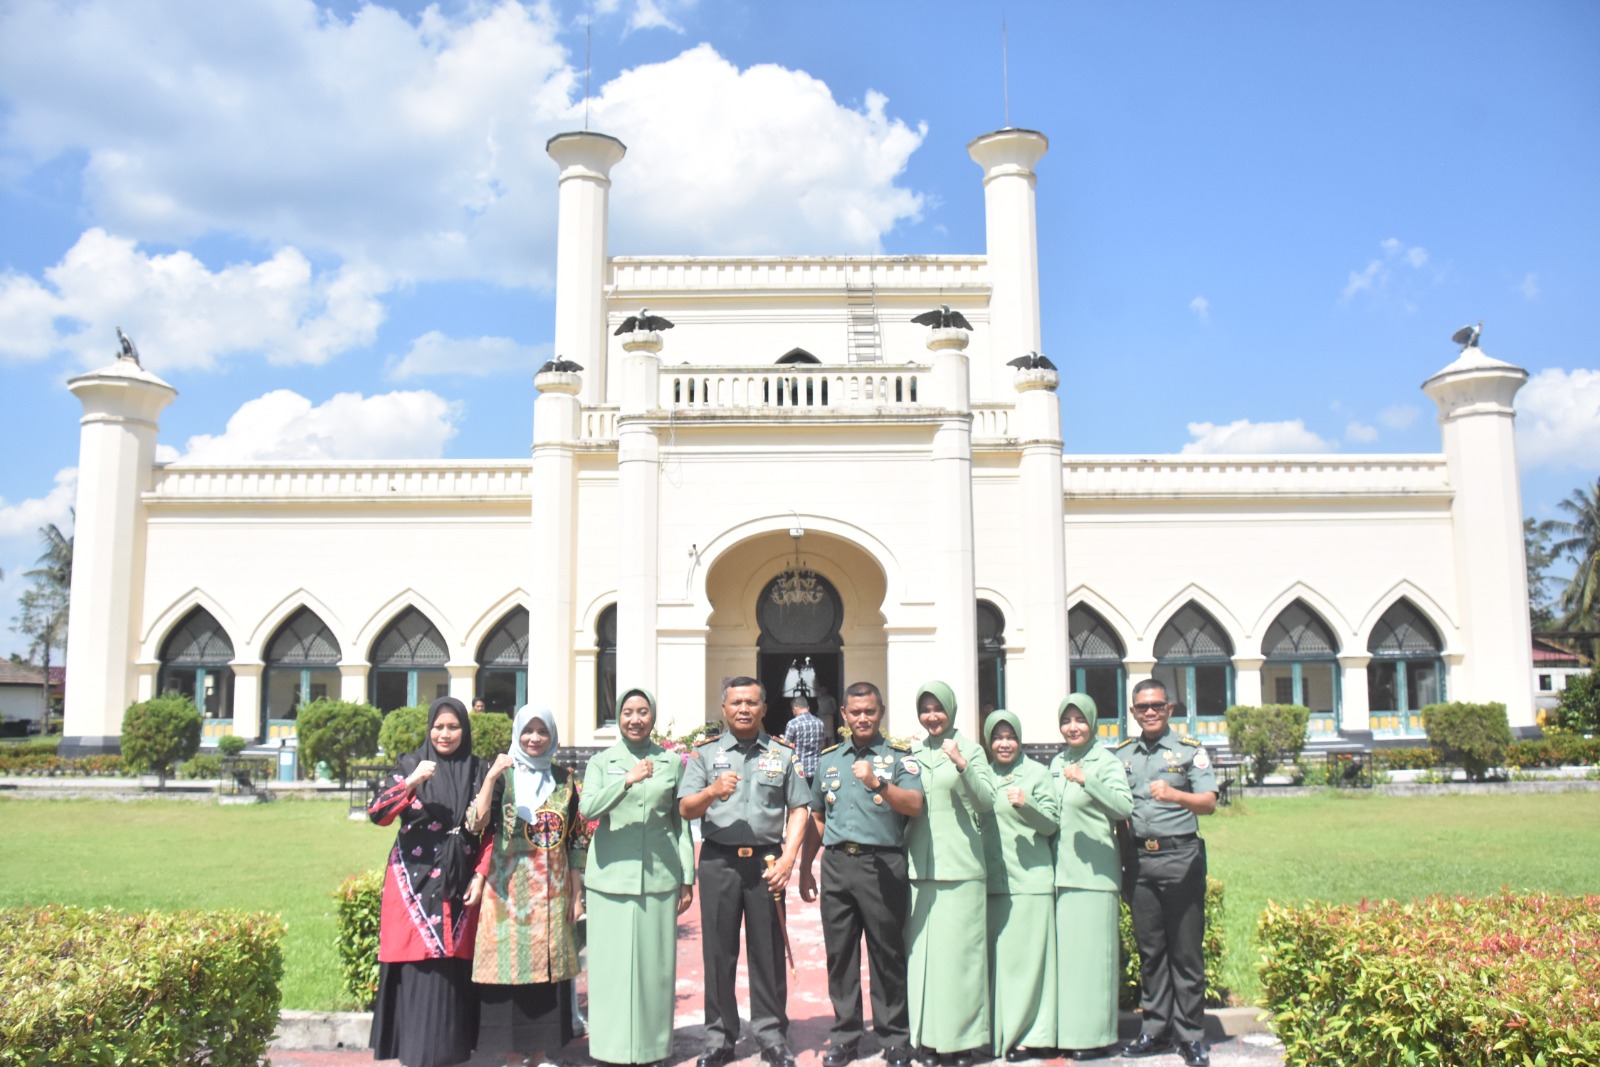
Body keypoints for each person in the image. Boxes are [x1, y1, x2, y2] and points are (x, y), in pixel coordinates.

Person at [679, 677, 812, 1067]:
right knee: (719, 953)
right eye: (736, 702)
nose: (743, 709)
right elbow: (686, 808)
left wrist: (789, 858)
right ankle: (719, 1037)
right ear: (724, 709)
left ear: (764, 709)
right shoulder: (704, 755)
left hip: (767, 863)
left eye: (751, 702)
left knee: (768, 952)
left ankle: (771, 1035)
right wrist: (711, 792)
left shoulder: (783, 754)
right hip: (719, 861)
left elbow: (800, 807)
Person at [797, 681, 925, 1067]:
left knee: (886, 954)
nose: (863, 717)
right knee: (840, 956)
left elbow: (915, 805)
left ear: (881, 712)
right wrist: (806, 868)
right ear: (844, 716)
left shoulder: (901, 758)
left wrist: (878, 783)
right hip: (837, 865)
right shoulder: (829, 759)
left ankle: (894, 1037)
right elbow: (817, 815)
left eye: (870, 711)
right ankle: (846, 1035)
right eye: (856, 712)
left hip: (881, 865)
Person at [367, 696, 489, 1067]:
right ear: (429, 729)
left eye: (453, 727)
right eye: (439, 726)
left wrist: (481, 875)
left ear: (464, 730)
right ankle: (416, 1055)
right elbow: (378, 814)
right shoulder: (408, 764)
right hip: (413, 885)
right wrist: (412, 781)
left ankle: (452, 1053)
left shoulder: (479, 770)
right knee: (418, 963)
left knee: (454, 967)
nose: (445, 734)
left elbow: (491, 831)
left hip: (461, 881)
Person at [465, 706, 587, 1067]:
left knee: (545, 980)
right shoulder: (503, 777)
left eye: (542, 731)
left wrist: (578, 894)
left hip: (552, 892)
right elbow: (475, 822)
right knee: (509, 974)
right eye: (527, 731)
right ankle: (512, 1055)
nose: (534, 738)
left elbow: (577, 839)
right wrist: (490, 778)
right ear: (517, 734)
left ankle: (539, 1055)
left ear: (552, 736)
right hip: (506, 894)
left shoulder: (565, 781)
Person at [580, 687, 696, 1067]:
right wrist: (626, 781)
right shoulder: (602, 761)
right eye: (628, 712)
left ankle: (653, 1049)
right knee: (609, 970)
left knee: (655, 969)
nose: (635, 719)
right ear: (618, 716)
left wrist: (687, 876)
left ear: (653, 716)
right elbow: (588, 808)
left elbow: (681, 823)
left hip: (659, 877)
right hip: (609, 878)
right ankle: (608, 1050)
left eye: (642, 711)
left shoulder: (672, 762)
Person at [1114, 680, 1218, 1067]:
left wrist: (1176, 796)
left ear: (1170, 708)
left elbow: (1208, 803)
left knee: (1186, 951)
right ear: (1134, 713)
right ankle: (1155, 1030)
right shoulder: (1123, 754)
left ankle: (1190, 1035)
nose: (1151, 712)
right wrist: (1124, 865)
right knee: (1151, 951)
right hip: (1140, 861)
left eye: (1157, 705)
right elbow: (1119, 813)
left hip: (1181, 858)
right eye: (1143, 707)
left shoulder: (1189, 752)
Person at [904, 681, 997, 1067]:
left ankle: (961, 1042)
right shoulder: (910, 752)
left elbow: (987, 801)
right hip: (920, 867)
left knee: (960, 959)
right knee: (922, 959)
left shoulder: (970, 749)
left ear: (951, 710)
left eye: (938, 709)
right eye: (925, 709)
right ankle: (924, 1038)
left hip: (960, 867)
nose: (932, 716)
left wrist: (961, 763)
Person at [1050, 694, 1134, 1061]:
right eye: (1067, 720)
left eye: (1079, 720)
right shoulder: (1056, 762)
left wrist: (1088, 781)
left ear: (1092, 722)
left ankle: (1099, 1035)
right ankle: (1072, 1033)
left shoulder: (1106, 761)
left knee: (1095, 961)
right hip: (1062, 874)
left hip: (1096, 875)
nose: (1073, 727)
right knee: (1070, 962)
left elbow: (1123, 807)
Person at [980, 710, 1059, 1062]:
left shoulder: (1038, 775)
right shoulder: (982, 775)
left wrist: (1027, 805)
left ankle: (1033, 1035)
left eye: (1010, 736)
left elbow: (1052, 825)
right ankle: (999, 1032)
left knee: (1029, 966)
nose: (1004, 743)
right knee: (1001, 966)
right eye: (997, 737)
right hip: (994, 884)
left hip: (1030, 882)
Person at [784, 695, 825, 782]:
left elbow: (787, 747)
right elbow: (822, 744)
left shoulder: (792, 724)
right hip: (817, 770)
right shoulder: (819, 723)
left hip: (799, 771)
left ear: (795, 708)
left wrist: (782, 740)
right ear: (808, 708)